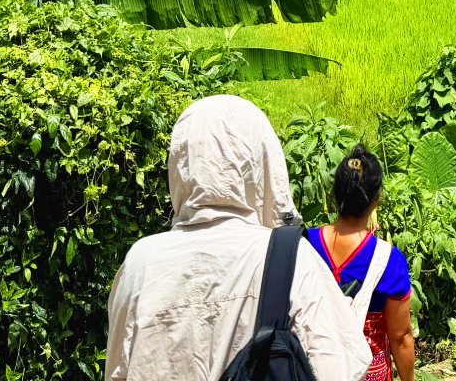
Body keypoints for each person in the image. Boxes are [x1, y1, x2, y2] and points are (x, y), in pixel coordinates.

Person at [104, 95, 371, 381]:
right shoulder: (290, 260)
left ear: (181, 163)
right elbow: (340, 368)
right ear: (259, 162)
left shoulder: (140, 265)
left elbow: (119, 370)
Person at [307, 146, 417, 381]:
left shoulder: (305, 243)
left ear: (335, 192)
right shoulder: (388, 260)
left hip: (311, 370)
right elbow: (401, 337)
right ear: (376, 199)